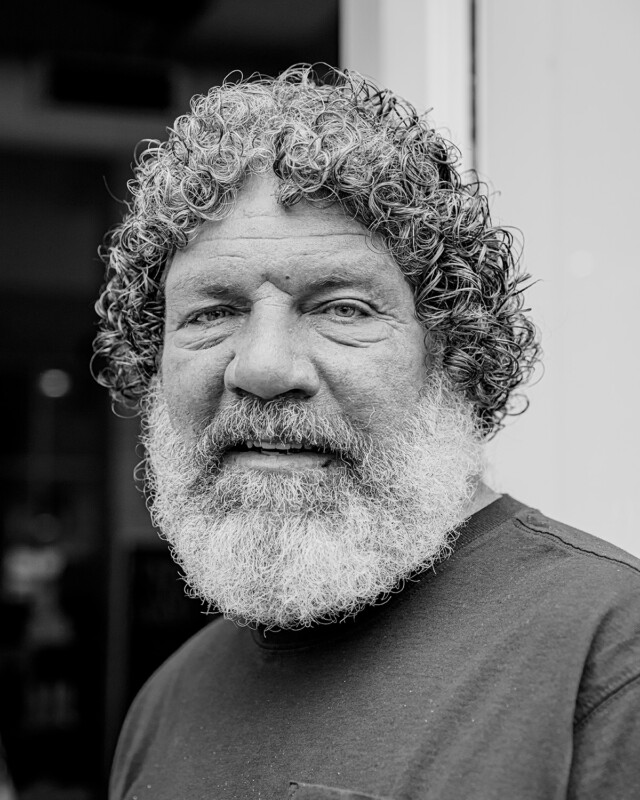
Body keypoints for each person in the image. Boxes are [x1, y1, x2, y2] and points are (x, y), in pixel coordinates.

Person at [94, 65, 640, 800]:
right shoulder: (165, 703)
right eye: (210, 313)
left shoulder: (610, 654)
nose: (262, 367)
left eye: (342, 308)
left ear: (452, 352)